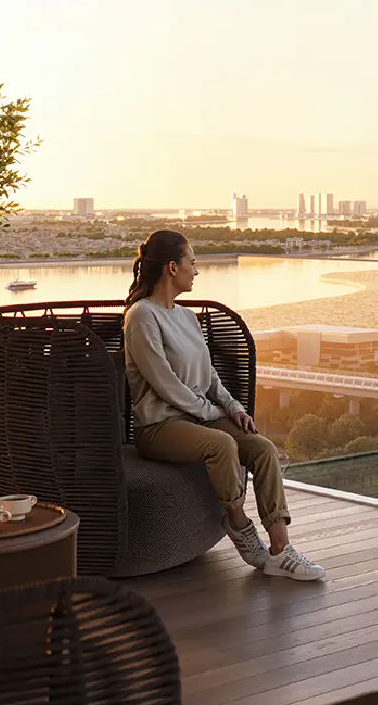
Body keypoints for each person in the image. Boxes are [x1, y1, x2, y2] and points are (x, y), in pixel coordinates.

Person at [122, 230, 325, 581]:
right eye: (193, 263)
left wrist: (233, 408)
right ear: (172, 268)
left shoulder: (186, 317)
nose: (196, 271)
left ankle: (281, 550)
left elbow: (210, 375)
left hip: (199, 420)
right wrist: (211, 413)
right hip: (159, 427)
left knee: (262, 449)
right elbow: (164, 383)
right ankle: (238, 523)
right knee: (222, 444)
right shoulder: (141, 316)